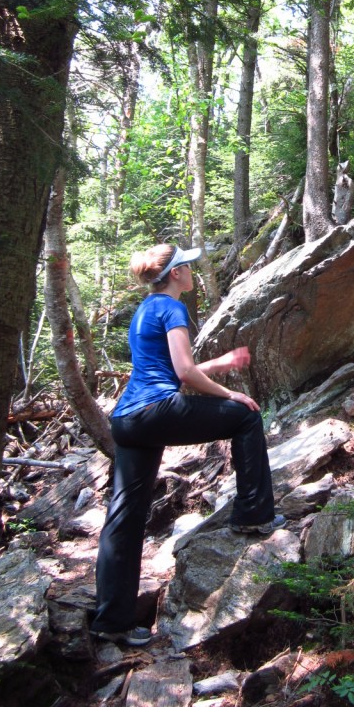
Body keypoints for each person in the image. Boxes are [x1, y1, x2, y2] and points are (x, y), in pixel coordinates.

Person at [90, 243, 283, 647]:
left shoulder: (145, 309)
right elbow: (182, 373)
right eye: (187, 266)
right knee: (246, 416)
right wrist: (229, 395)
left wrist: (223, 364)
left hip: (128, 420)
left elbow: (175, 372)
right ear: (175, 273)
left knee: (124, 515)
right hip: (159, 410)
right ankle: (253, 515)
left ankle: (113, 621)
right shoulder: (173, 308)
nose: (193, 270)